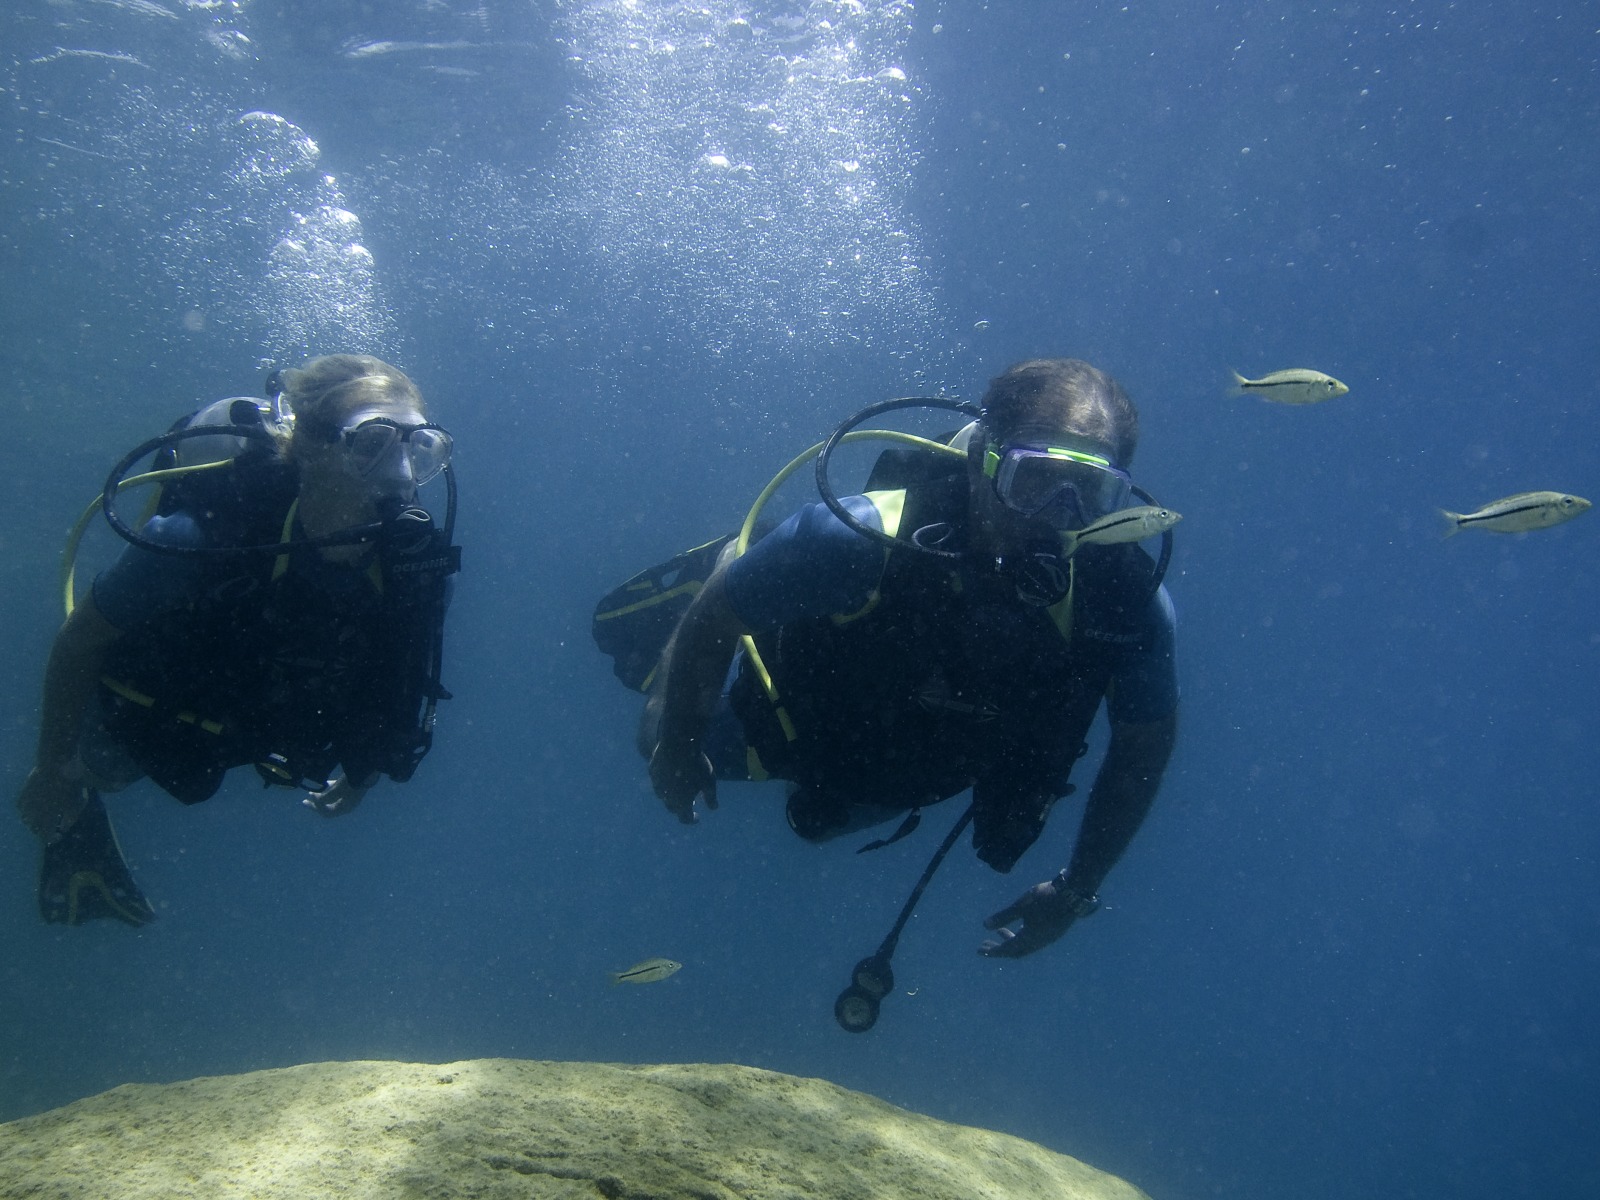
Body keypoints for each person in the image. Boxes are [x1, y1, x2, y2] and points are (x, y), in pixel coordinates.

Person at [636, 358, 1177, 960]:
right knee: (654, 738)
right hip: (785, 709)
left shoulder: (1128, 604)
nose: (1056, 516)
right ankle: (735, 562)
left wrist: (1079, 889)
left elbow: (1142, 746)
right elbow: (716, 620)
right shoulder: (855, 538)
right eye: (1034, 481)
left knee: (819, 822)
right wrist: (680, 744)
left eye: (1093, 494)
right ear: (982, 463)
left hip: (908, 763)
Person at [16, 354, 459, 926]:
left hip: (265, 714)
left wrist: (363, 772)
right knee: (103, 767)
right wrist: (52, 770)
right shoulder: (201, 536)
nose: (398, 474)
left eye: (420, 448)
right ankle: (82, 826)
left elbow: (403, 671)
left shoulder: (416, 572)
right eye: (373, 442)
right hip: (169, 702)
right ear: (312, 446)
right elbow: (80, 643)